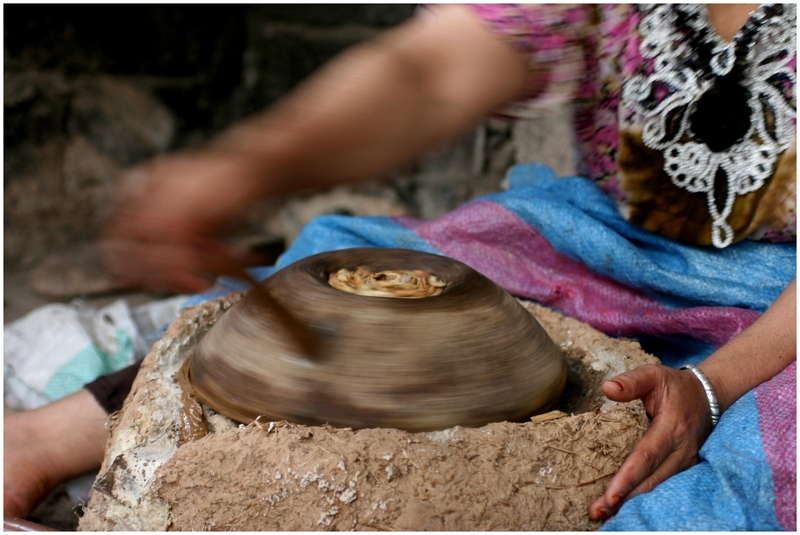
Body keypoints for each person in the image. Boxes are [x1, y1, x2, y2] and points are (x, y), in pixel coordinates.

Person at [5, 4, 796, 528]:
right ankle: (45, 439)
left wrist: (712, 385)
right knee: (344, 271)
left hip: (781, 303)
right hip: (609, 243)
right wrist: (244, 165)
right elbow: (428, 73)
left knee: (748, 471)